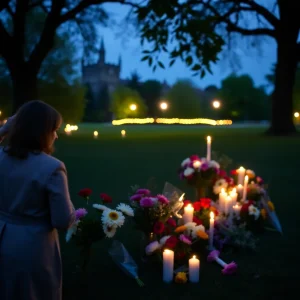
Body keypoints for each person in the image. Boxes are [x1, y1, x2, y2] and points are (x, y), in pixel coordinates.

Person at [0, 100, 76, 300]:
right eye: (54, 129)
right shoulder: (52, 167)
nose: (56, 135)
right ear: (42, 132)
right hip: (34, 246)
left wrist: (4, 129)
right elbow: (62, 220)